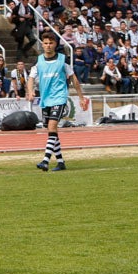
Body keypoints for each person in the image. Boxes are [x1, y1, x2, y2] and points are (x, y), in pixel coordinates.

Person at [26, 30, 89, 172]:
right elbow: (30, 78)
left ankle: (45, 161)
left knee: (52, 127)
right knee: (51, 130)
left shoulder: (62, 60)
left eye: (51, 43)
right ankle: (61, 162)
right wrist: (30, 91)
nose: (48, 45)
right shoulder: (39, 61)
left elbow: (74, 79)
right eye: (45, 43)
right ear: (42, 45)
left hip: (59, 98)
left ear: (55, 44)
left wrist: (81, 97)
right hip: (45, 99)